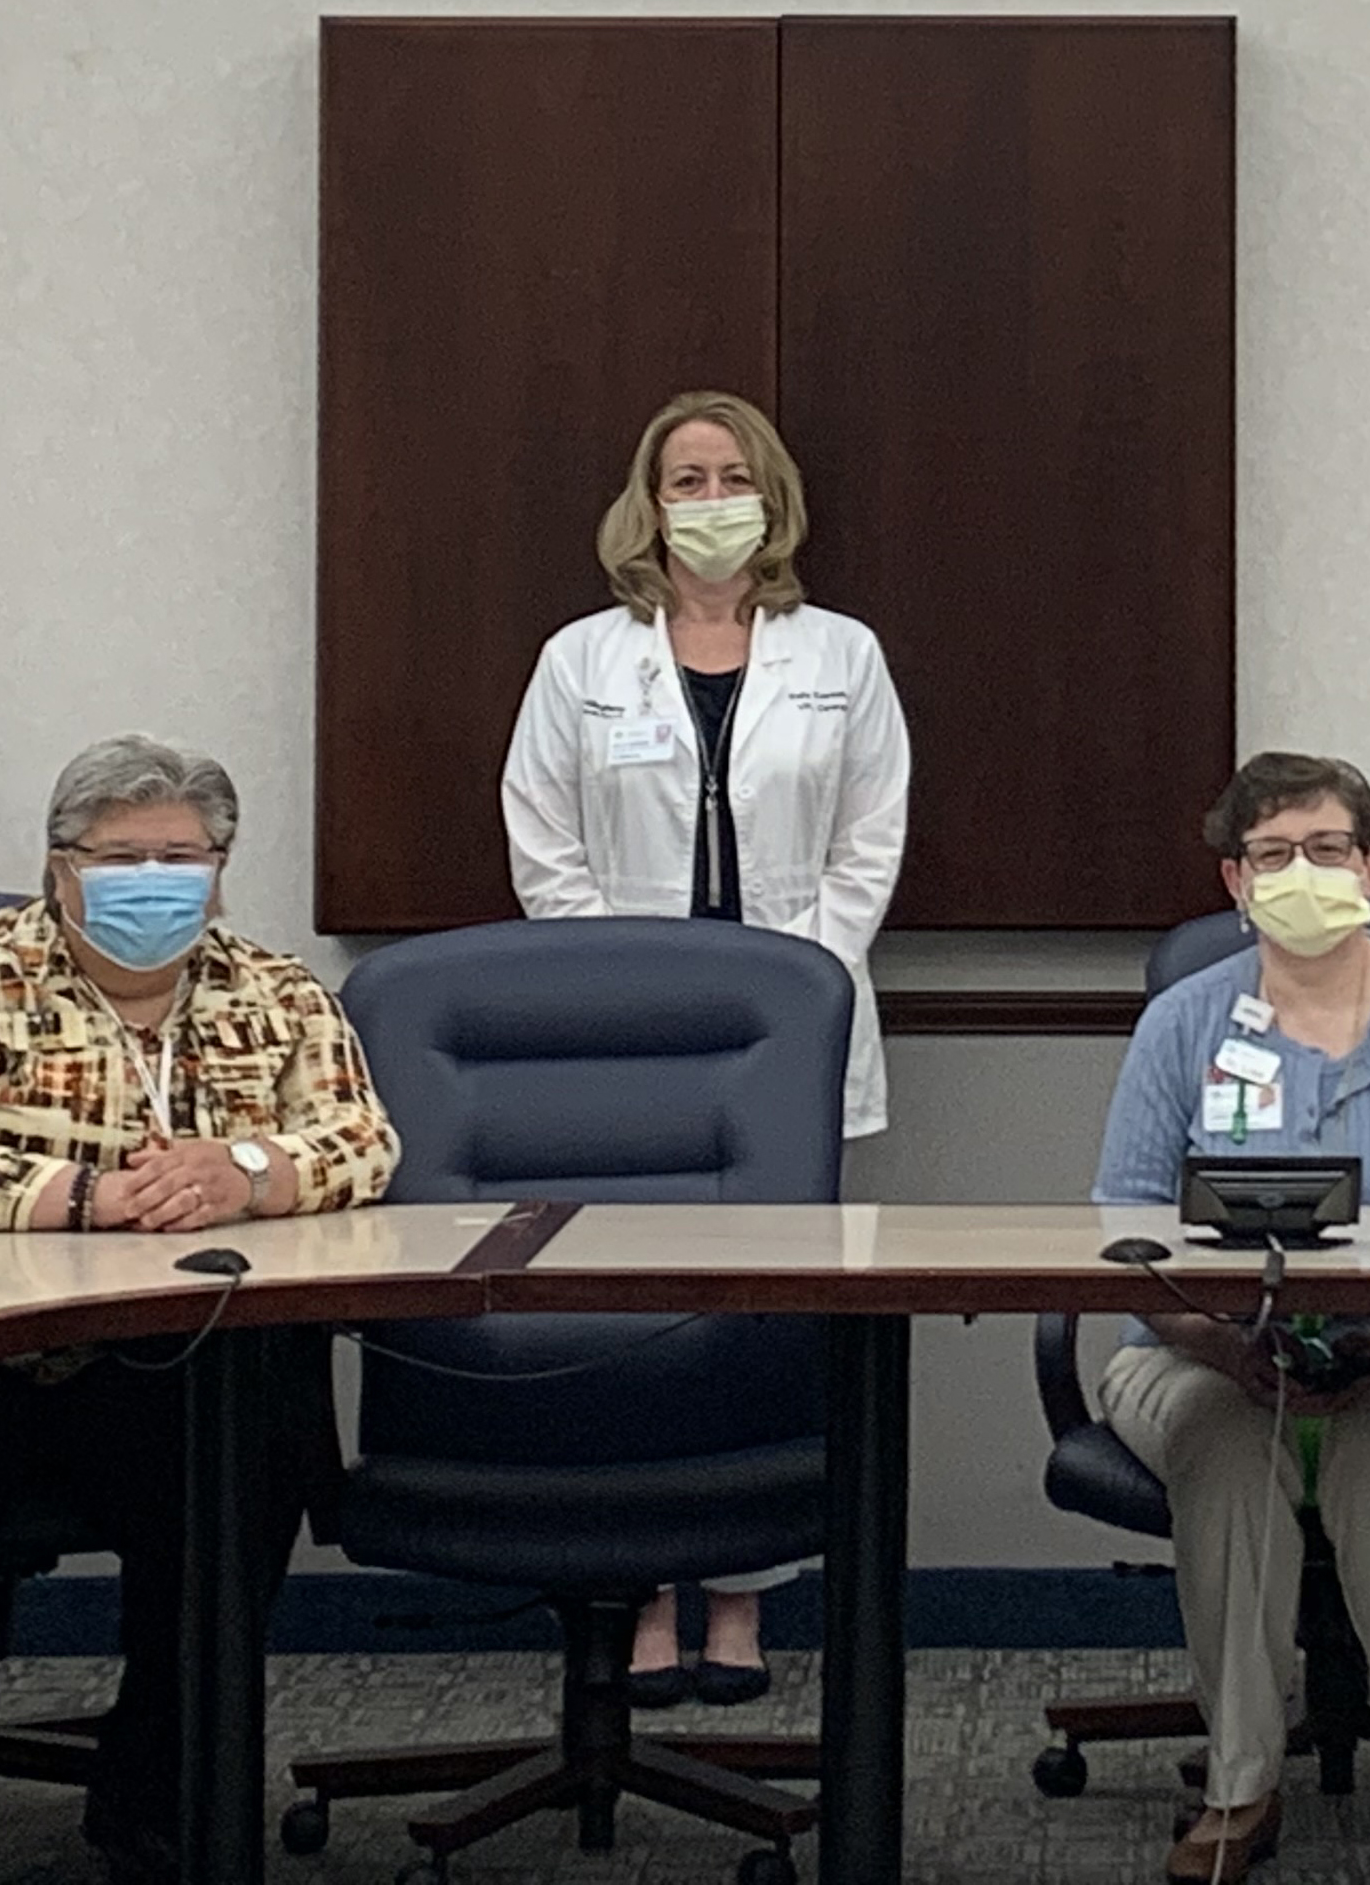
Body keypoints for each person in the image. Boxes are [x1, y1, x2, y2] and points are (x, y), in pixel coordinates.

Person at [0, 735, 397, 1884]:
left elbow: (363, 1138)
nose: (155, 878)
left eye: (182, 855)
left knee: (254, 1461)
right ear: (59, 864)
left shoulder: (275, 990)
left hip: (181, 1370)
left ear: (222, 868)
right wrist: (75, 1194)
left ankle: (157, 1797)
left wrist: (246, 1170)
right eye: (121, 855)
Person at [500, 388, 911, 1707]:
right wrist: (623, 988)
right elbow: (542, 845)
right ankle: (638, 1596)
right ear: (650, 504)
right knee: (634, 1321)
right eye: (687, 478)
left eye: (734, 474)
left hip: (789, 1038)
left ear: (771, 497)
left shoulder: (842, 653)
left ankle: (739, 1595)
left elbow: (870, 847)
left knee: (765, 1324)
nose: (712, 497)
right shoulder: (581, 660)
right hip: (622, 1047)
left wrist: (800, 984)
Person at [1093, 753, 1370, 1885]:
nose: (1304, 872)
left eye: (1329, 848)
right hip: (1198, 1351)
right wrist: (1218, 1344)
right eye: (1274, 853)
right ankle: (1239, 1787)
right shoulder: (1185, 1022)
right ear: (1235, 880)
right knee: (1229, 1443)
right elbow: (1122, 1231)